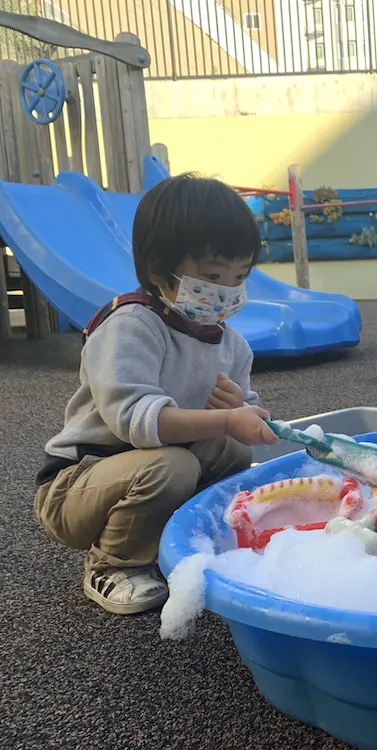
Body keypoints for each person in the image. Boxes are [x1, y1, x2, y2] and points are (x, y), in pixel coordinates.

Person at [34, 175, 279, 615]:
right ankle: (112, 564)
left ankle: (181, 541)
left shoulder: (231, 344)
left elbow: (238, 425)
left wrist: (240, 413)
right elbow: (136, 420)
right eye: (211, 276)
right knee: (174, 464)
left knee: (234, 452)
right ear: (156, 272)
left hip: (154, 468)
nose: (227, 290)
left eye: (239, 275)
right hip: (76, 485)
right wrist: (225, 420)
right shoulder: (132, 325)